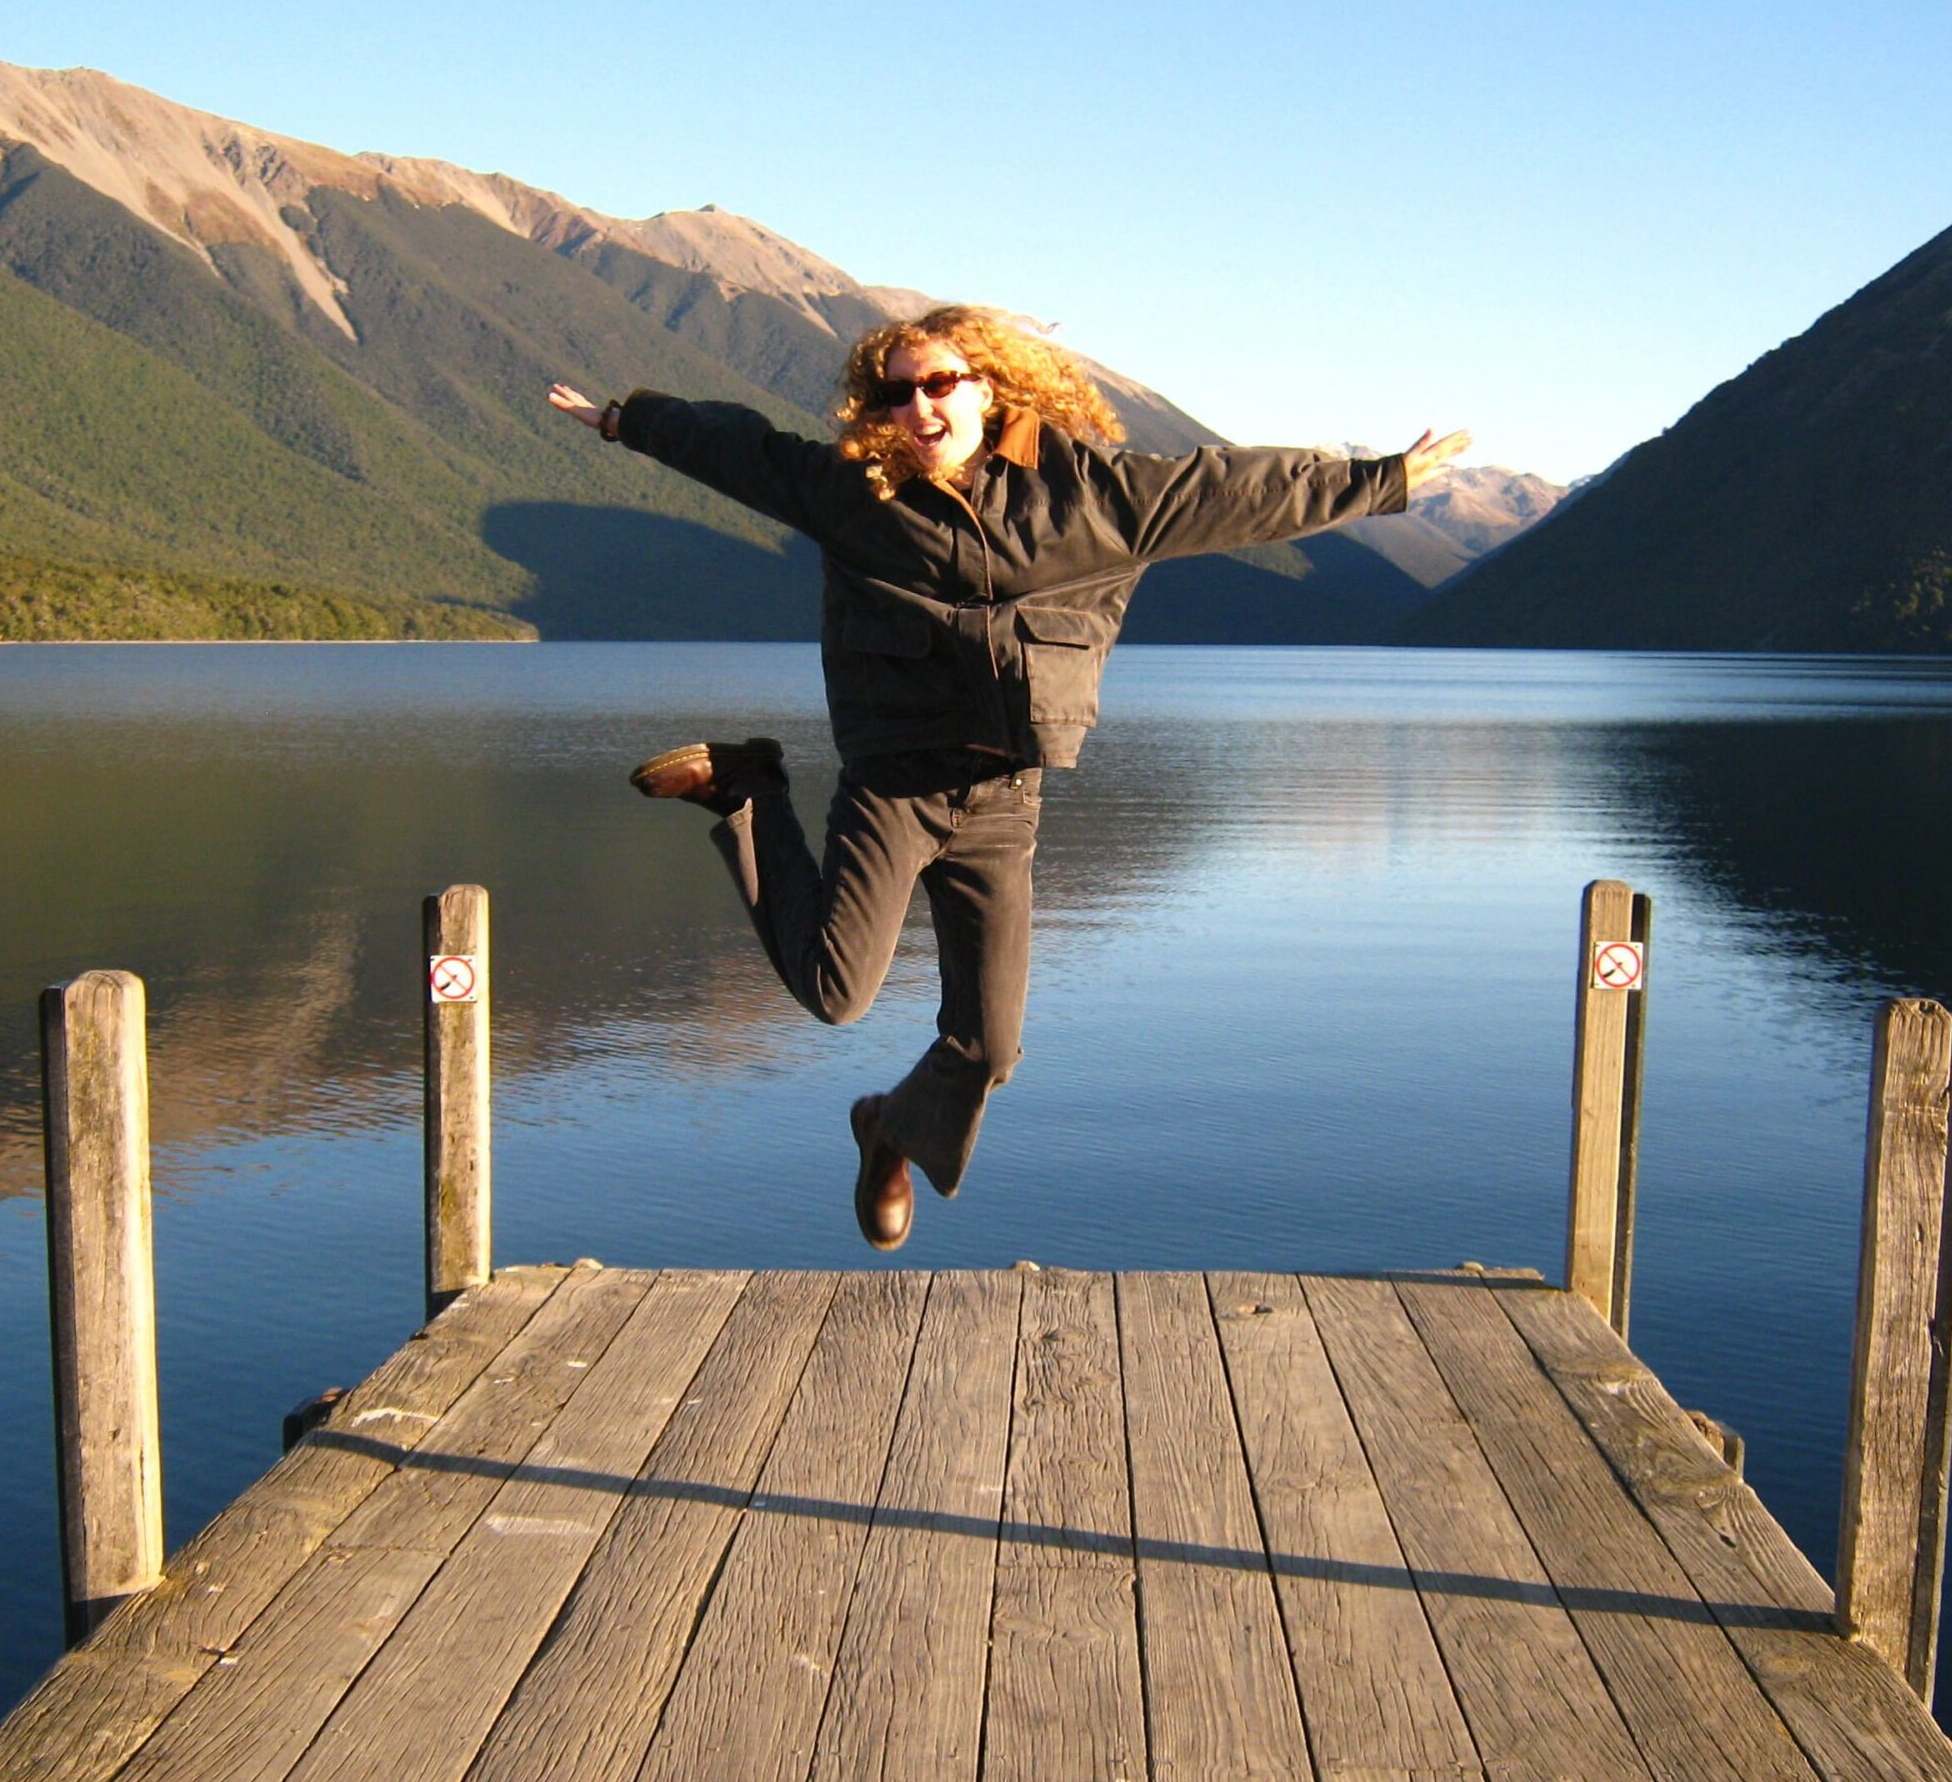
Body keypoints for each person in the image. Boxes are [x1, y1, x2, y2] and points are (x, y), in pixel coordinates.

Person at [547, 305, 1465, 1250]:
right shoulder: (856, 490)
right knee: (835, 992)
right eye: (897, 392)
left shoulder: (1090, 497)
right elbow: (745, 452)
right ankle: (750, 791)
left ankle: (887, 1130)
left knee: (987, 1049)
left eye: (938, 383)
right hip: (893, 786)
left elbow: (1228, 490)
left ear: (989, 386)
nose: (917, 407)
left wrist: (1380, 481)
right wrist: (629, 421)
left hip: (1002, 800)